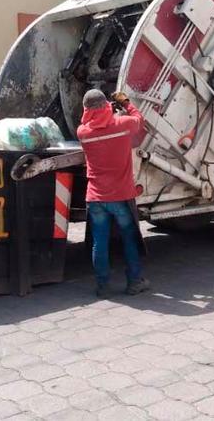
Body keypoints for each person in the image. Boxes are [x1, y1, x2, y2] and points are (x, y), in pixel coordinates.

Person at [77, 89, 149, 299]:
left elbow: (93, 122)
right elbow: (139, 119)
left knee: (100, 242)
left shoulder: (83, 132)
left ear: (86, 110)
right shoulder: (122, 125)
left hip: (96, 198)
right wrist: (125, 102)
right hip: (121, 195)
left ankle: (103, 286)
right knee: (129, 239)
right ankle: (135, 282)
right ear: (106, 105)